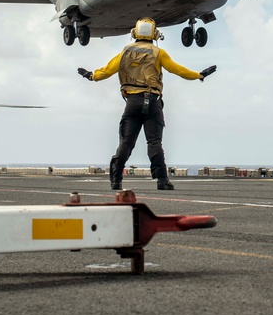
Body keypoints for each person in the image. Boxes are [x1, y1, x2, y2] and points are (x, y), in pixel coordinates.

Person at [78, 17, 215, 191]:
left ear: (134, 33)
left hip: (132, 103)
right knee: (154, 142)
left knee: (126, 143)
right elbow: (178, 70)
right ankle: (162, 181)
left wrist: (91, 75)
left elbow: (106, 71)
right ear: (155, 34)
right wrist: (199, 75)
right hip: (152, 102)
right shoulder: (159, 53)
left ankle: (116, 180)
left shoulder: (125, 52)